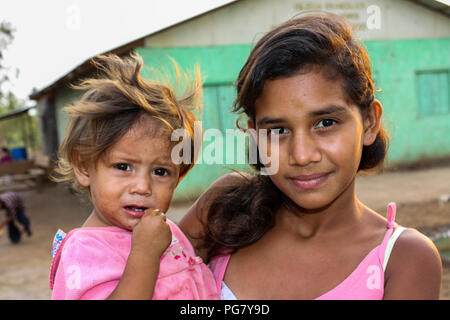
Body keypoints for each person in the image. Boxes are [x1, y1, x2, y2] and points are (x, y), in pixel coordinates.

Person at [178, 13, 442, 300]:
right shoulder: (226, 210)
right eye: (278, 129)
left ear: (369, 122)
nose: (302, 155)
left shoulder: (403, 259)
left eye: (325, 123)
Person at [49, 53, 218, 300]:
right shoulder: (85, 249)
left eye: (160, 172)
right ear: (84, 167)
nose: (142, 187)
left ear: (178, 178)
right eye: (123, 167)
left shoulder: (165, 229)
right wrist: (144, 256)